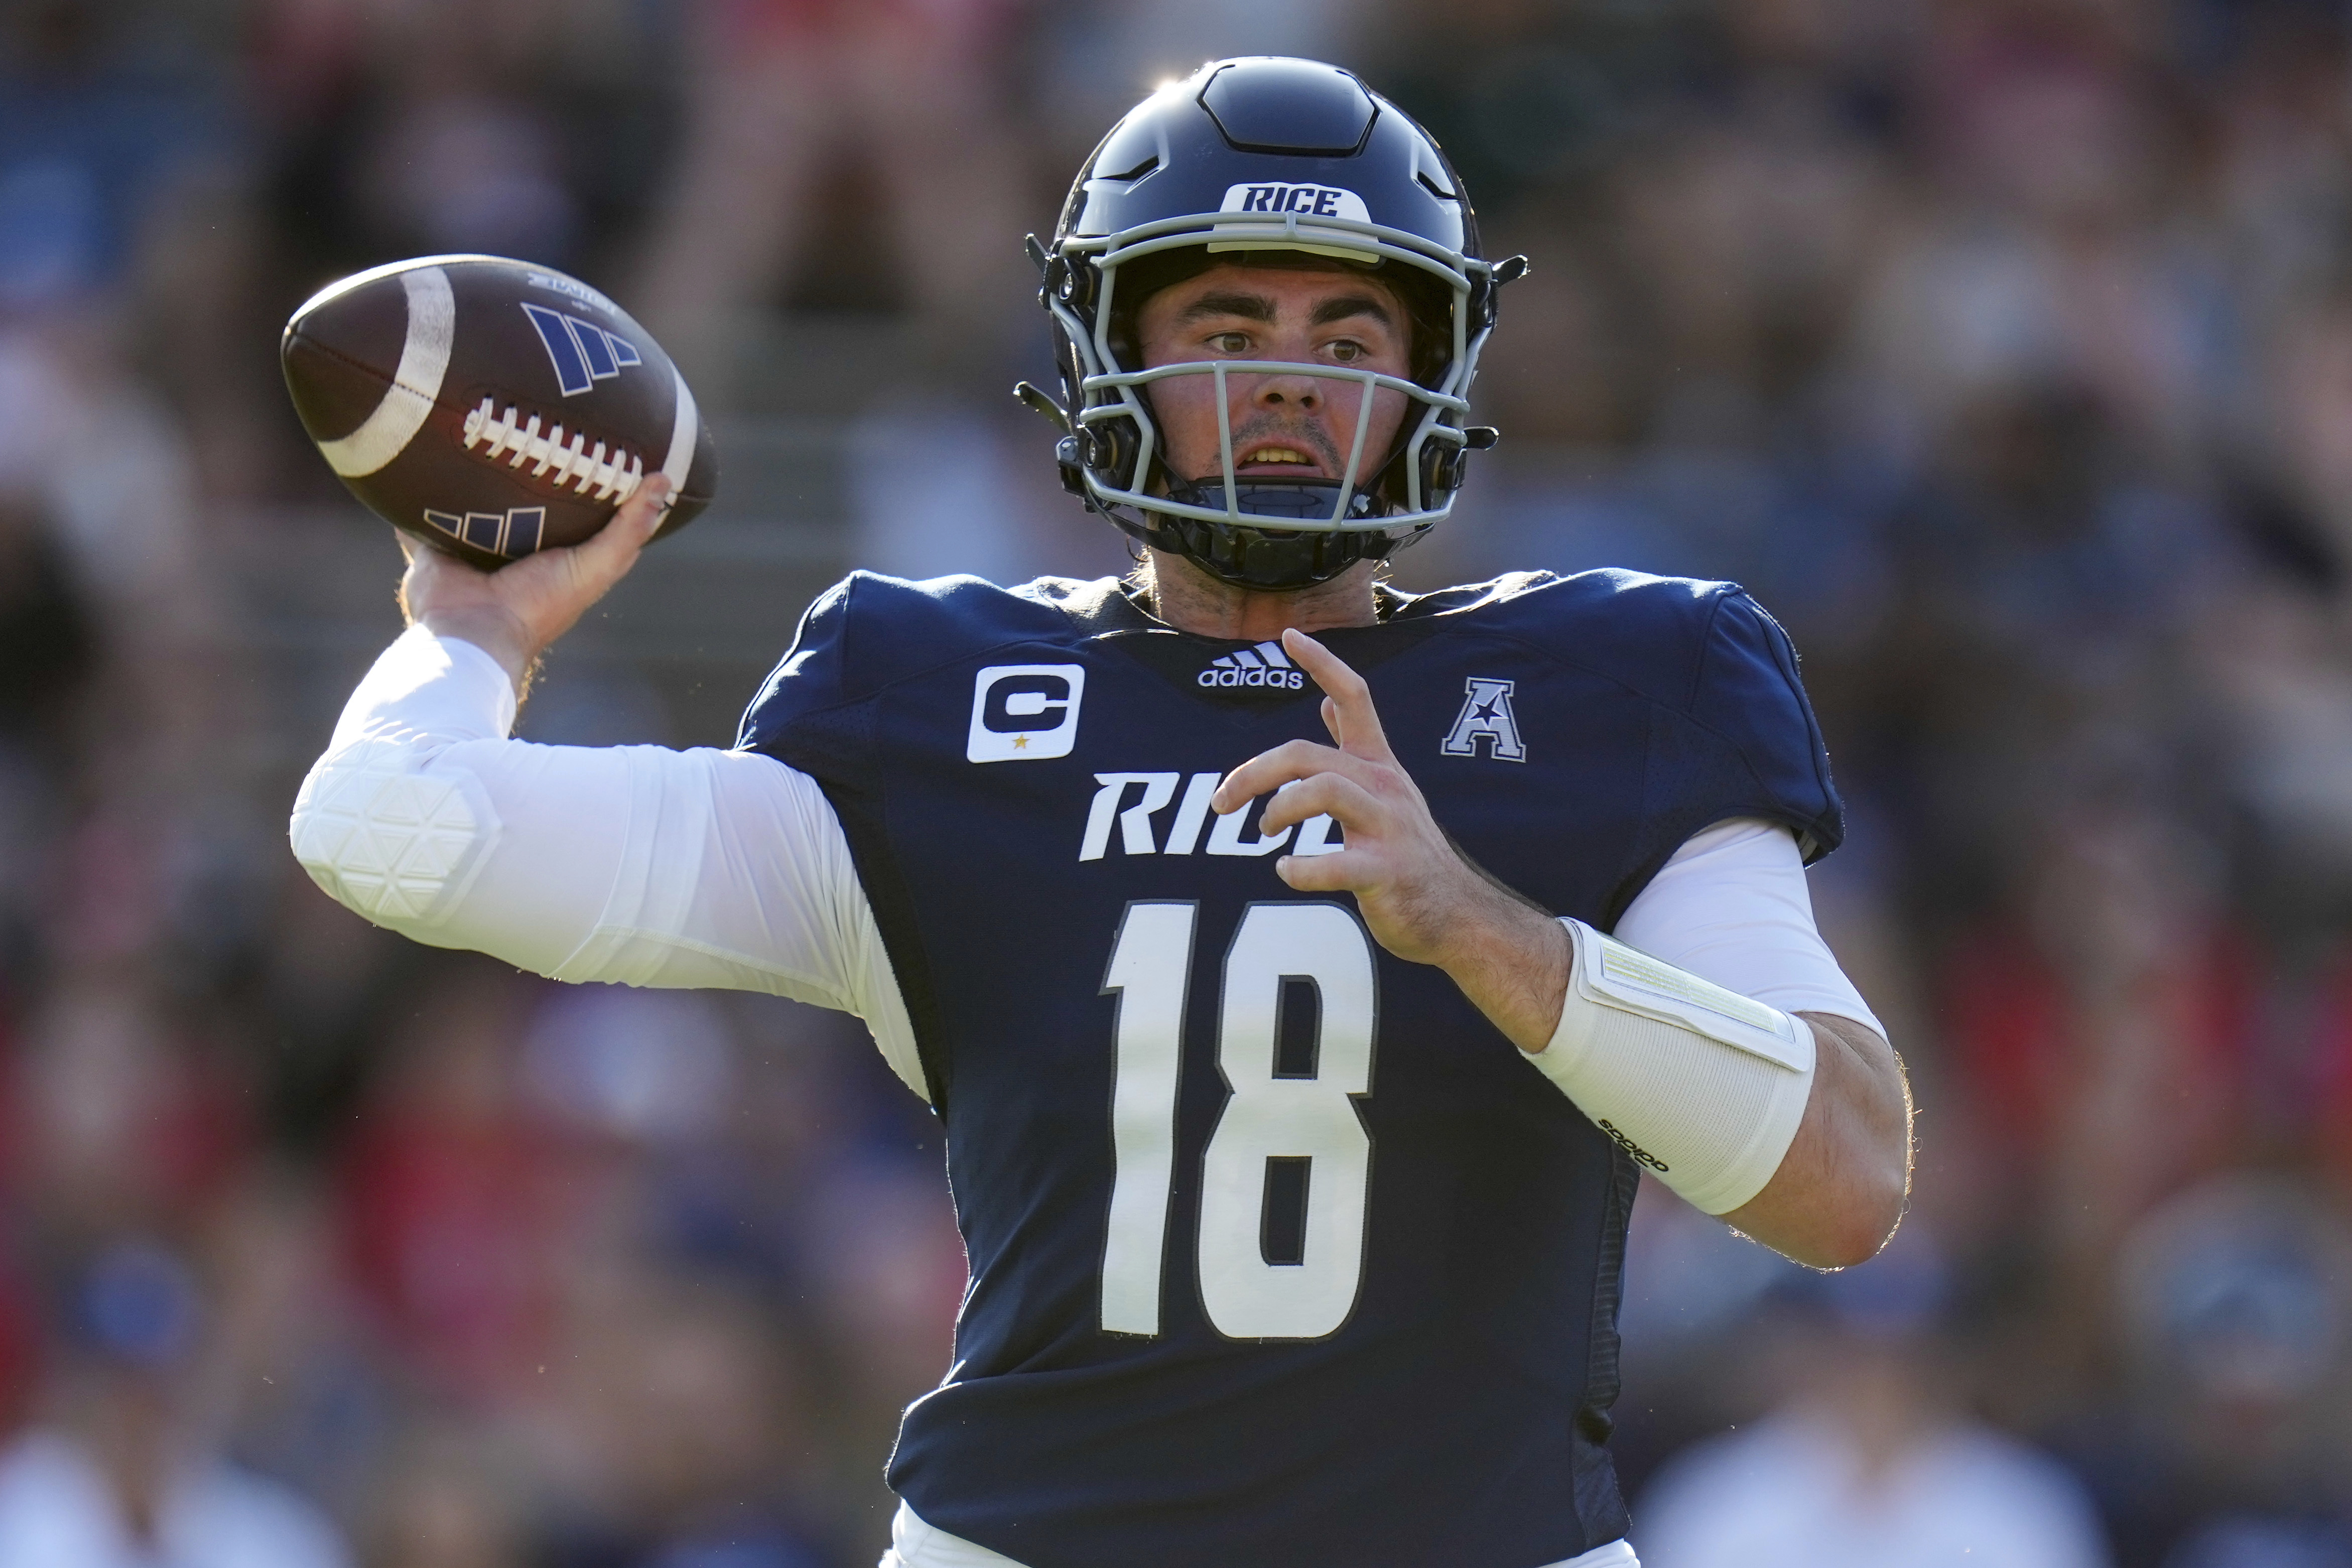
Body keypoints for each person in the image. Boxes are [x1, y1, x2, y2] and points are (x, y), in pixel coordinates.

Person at [291, 58, 1911, 1568]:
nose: (1289, 390)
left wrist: (1489, 932)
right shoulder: (928, 695)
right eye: (1227, 330)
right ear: (1106, 356)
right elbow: (388, 827)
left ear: (1436, 379)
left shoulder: (1621, 679)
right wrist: (476, 630)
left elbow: (1844, 1177)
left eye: (1348, 346)